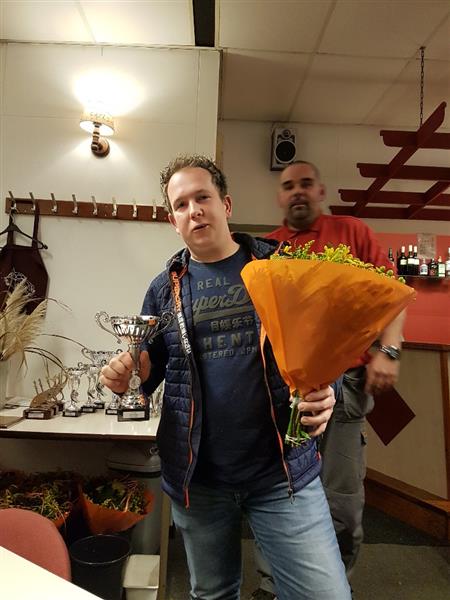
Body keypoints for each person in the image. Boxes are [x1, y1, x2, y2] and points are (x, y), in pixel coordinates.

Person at [100, 155, 351, 600]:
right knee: (212, 594)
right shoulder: (164, 289)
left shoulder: (281, 268)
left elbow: (325, 348)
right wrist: (127, 375)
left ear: (226, 205)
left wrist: (329, 390)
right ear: (173, 221)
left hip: (281, 474)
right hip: (200, 482)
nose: (194, 210)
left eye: (203, 197)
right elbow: (148, 368)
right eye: (181, 205)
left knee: (324, 594)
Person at [250, 160, 405, 600]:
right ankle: (272, 586)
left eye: (306, 183)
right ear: (280, 196)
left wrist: (388, 351)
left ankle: (335, 585)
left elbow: (393, 296)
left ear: (320, 191)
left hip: (347, 385)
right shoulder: (268, 247)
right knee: (279, 490)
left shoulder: (353, 233)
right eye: (288, 186)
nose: (297, 191)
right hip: (285, 391)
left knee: (342, 500)